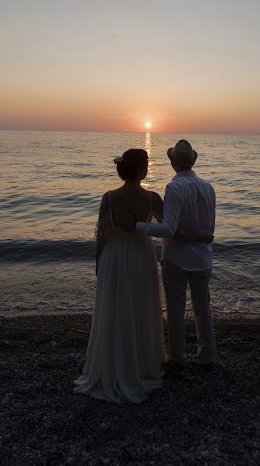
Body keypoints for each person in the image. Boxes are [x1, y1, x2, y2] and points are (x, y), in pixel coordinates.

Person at [74, 148, 211, 402]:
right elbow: (171, 230)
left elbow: (101, 237)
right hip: (140, 257)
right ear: (143, 169)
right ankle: (143, 363)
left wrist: (98, 265)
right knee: (141, 308)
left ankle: (115, 363)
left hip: (114, 259)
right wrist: (200, 237)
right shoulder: (152, 198)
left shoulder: (109, 198)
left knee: (115, 309)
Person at [135, 139, 217, 373]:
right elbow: (208, 227)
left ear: (172, 163)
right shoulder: (208, 187)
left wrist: (139, 226)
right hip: (203, 258)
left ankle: (177, 358)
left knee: (175, 309)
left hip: (177, 258)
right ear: (192, 162)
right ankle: (207, 357)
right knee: (203, 309)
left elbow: (169, 229)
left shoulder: (174, 188)